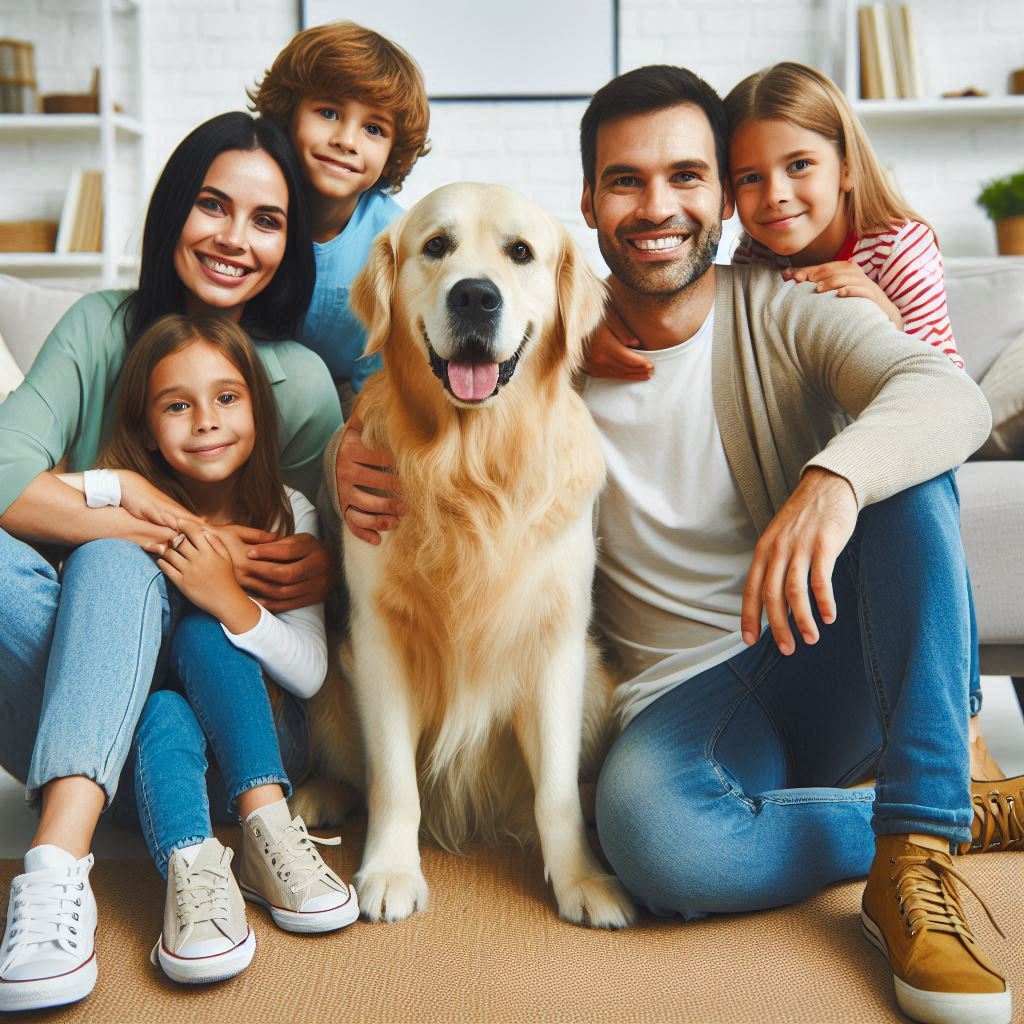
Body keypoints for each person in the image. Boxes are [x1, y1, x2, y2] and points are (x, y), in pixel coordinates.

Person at [334, 65, 1017, 1024]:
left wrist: (834, 481)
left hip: (819, 651)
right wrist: (344, 449)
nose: (659, 206)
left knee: (910, 473)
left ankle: (914, 846)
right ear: (590, 204)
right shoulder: (539, 350)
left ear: (725, 197)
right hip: (681, 706)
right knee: (654, 842)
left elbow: (948, 397)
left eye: (689, 176)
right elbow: (419, 391)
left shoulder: (786, 309)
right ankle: (940, 811)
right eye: (626, 181)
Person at [0, 112, 341, 1012]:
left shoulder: (298, 379)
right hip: (78, 693)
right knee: (109, 566)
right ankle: (57, 872)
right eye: (211, 205)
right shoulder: (98, 327)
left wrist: (314, 569)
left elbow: (333, 553)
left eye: (266, 220)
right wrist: (141, 514)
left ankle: (106, 841)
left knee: (127, 583)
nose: (235, 238)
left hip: (236, 725)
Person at [78, 313, 354, 983]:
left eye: (227, 398)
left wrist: (225, 594)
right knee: (160, 710)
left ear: (257, 409)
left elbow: (314, 674)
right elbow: (46, 493)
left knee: (207, 628)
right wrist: (127, 490)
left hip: (268, 748)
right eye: (178, 405)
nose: (206, 421)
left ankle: (269, 833)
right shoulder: (132, 517)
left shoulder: (288, 510)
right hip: (153, 770)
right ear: (146, 426)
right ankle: (193, 871)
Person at [250, 20, 430, 416]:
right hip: (252, 376)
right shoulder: (251, 204)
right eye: (328, 113)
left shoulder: (397, 240)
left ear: (392, 149)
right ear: (289, 114)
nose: (346, 141)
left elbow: (385, 366)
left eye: (373, 128)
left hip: (357, 392)